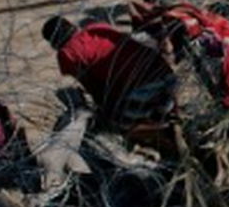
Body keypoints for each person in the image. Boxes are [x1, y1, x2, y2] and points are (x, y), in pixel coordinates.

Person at [42, 15, 178, 133]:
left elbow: (93, 87)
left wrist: (102, 109)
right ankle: (169, 118)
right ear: (72, 26)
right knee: (152, 107)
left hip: (145, 86)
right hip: (166, 74)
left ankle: (165, 130)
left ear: (54, 43)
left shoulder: (67, 53)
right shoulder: (96, 27)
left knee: (114, 122)